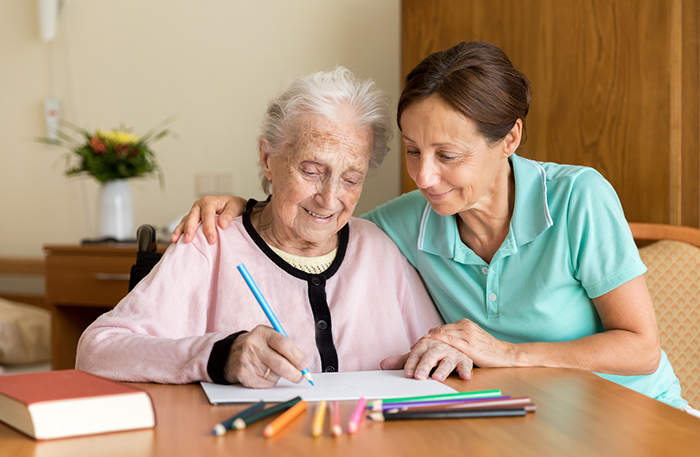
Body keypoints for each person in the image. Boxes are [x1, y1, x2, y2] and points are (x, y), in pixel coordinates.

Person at [172, 42, 691, 410]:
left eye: (447, 155)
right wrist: (249, 203)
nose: (424, 176)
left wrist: (504, 353)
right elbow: (319, 225)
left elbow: (641, 349)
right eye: (414, 151)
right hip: (523, 423)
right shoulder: (408, 220)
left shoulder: (580, 198)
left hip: (633, 413)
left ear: (510, 138)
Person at [75, 66, 446, 388]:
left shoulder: (378, 249)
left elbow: (439, 345)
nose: (329, 198)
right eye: (312, 172)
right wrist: (218, 356)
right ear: (268, 159)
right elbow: (96, 350)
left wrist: (444, 352)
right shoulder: (211, 241)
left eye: (351, 179)